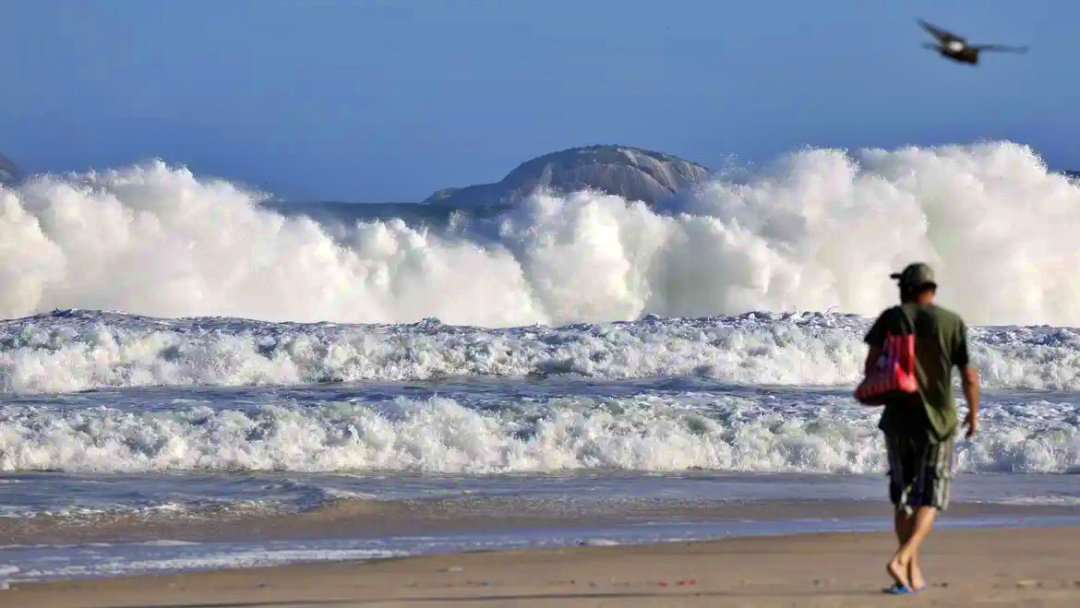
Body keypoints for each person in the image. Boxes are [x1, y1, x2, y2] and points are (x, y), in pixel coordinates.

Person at [862, 262, 980, 595]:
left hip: (898, 421)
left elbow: (871, 367)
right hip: (938, 423)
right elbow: (969, 375)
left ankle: (911, 573)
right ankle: (903, 559)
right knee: (931, 496)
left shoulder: (892, 318)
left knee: (903, 497)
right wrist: (973, 415)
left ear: (906, 288)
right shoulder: (951, 322)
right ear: (931, 288)